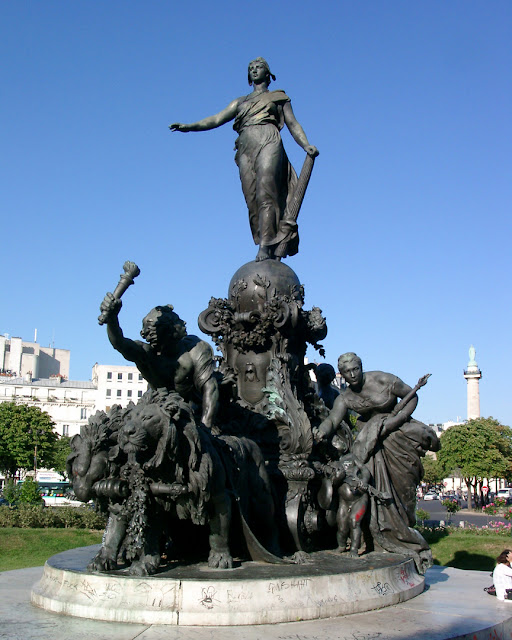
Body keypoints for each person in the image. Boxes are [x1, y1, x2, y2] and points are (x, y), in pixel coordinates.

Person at [170, 57, 318, 262]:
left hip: (269, 140)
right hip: (246, 148)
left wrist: (305, 144)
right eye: (251, 68)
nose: (254, 70)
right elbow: (216, 119)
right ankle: (266, 241)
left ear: (268, 73)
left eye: (259, 67)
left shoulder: (279, 97)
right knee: (253, 200)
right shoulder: (241, 102)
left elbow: (292, 123)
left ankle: (265, 247)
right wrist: (189, 127)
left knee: (266, 192)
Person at [314, 352, 440, 573]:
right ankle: (376, 536)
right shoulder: (344, 398)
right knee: (372, 488)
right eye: (347, 372)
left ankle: (403, 528)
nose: (353, 375)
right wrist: (321, 432)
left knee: (403, 487)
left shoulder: (384, 380)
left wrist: (396, 421)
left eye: (356, 369)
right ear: (340, 374)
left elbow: (412, 397)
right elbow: (333, 419)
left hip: (396, 433)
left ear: (361, 367)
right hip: (369, 441)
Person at [99, 292, 219, 431]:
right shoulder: (148, 356)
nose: (184, 323)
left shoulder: (195, 347)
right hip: (158, 414)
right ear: (169, 330)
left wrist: (205, 430)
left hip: (193, 414)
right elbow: (120, 343)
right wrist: (112, 318)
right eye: (178, 321)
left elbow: (210, 388)